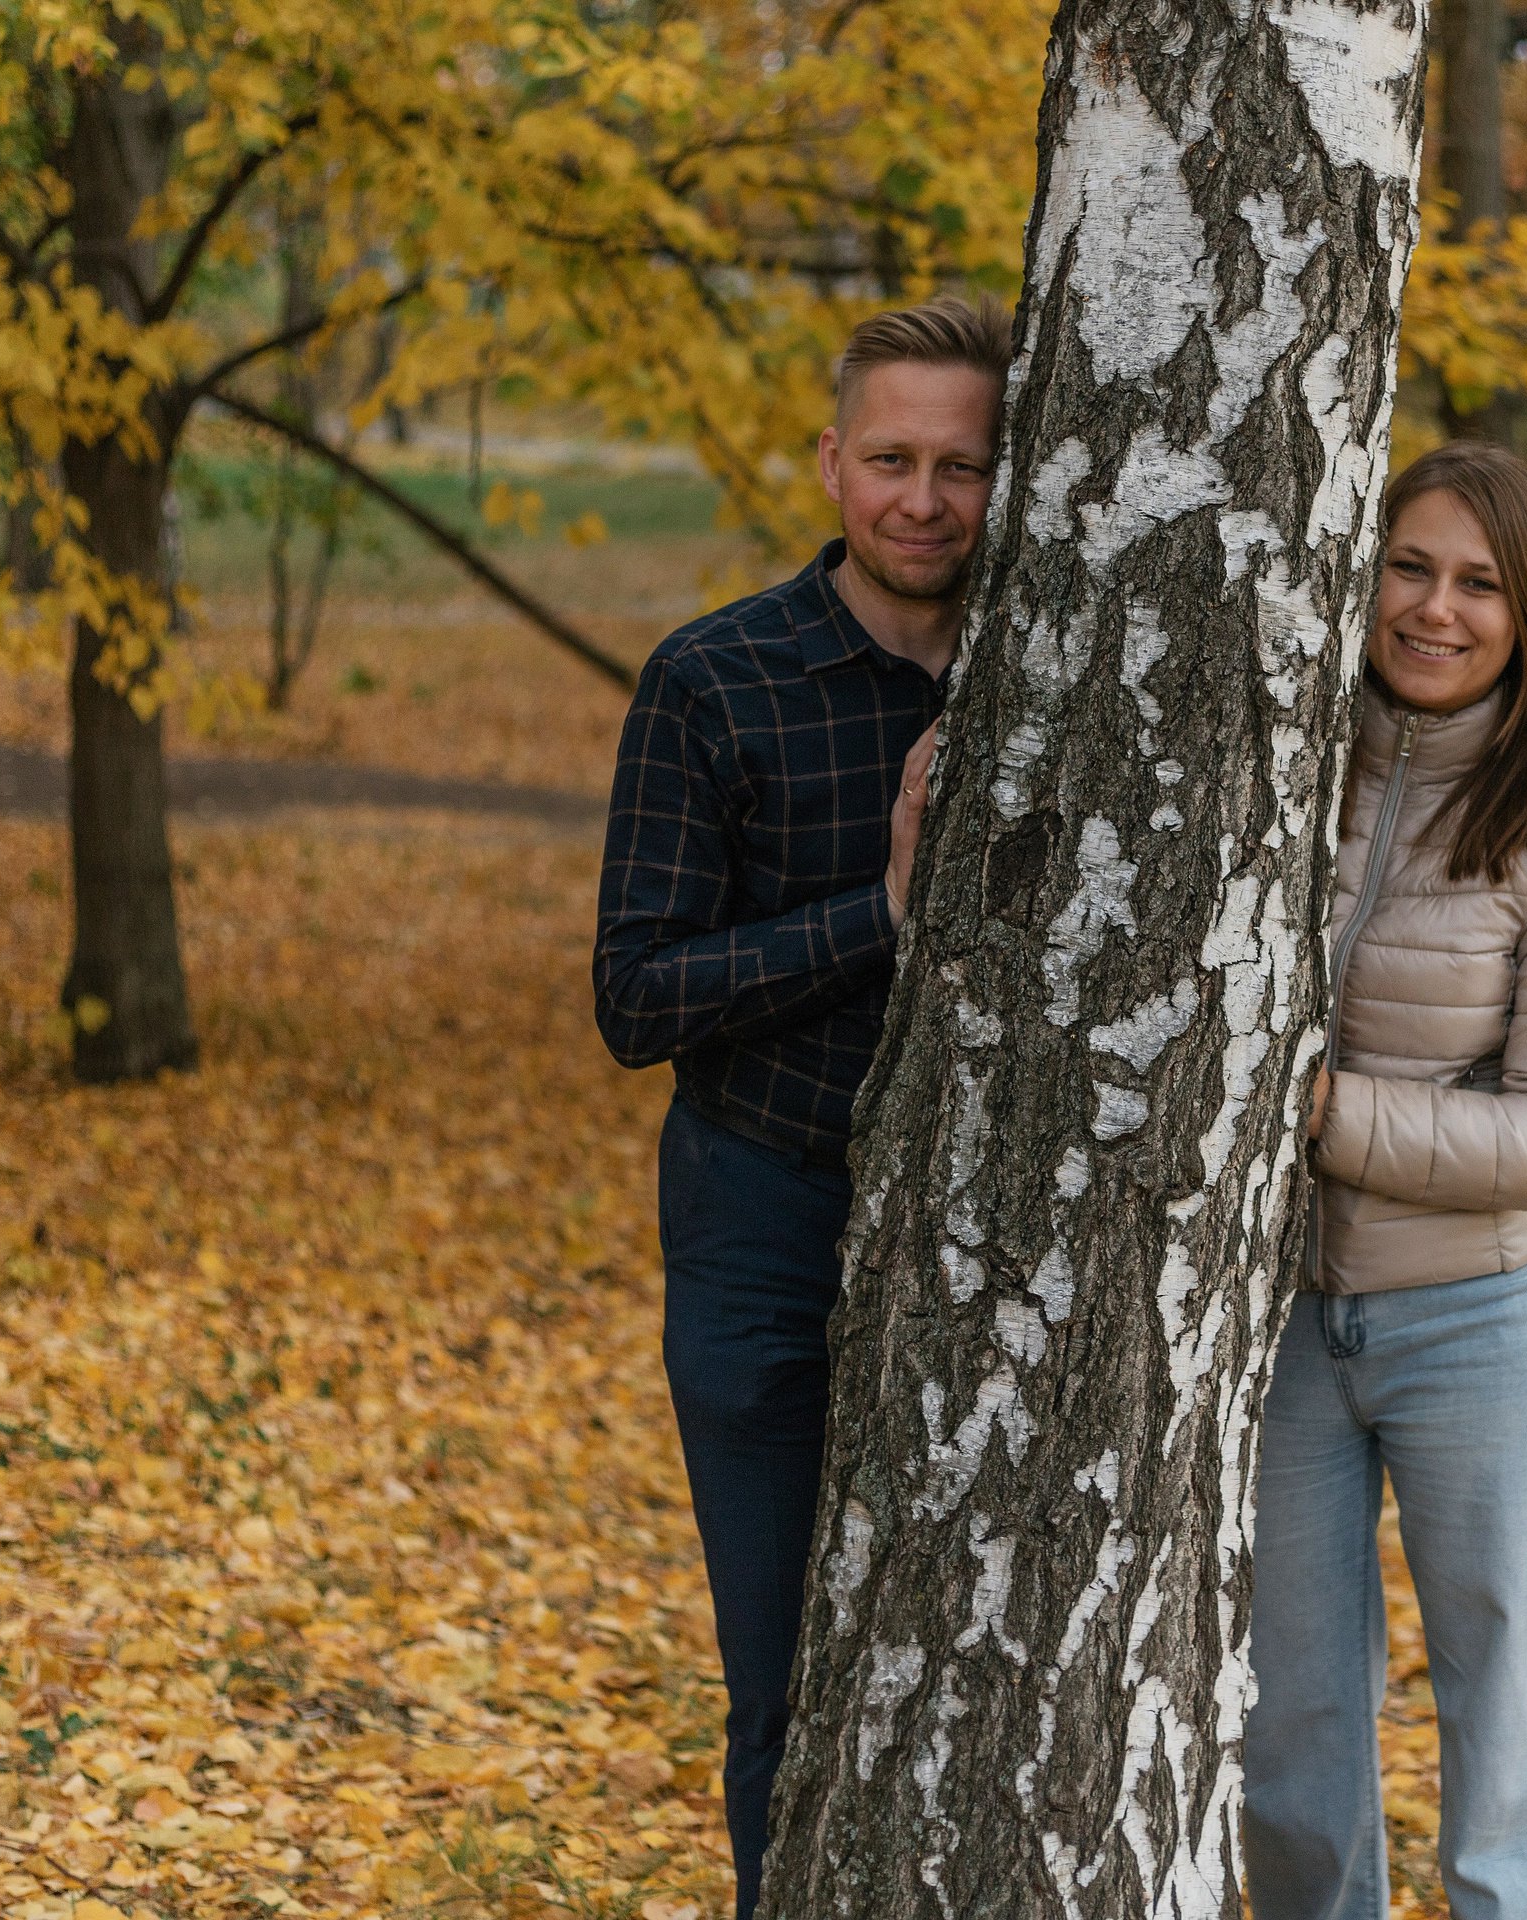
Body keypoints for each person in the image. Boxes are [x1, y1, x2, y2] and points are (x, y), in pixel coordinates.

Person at [592, 297, 1012, 1920]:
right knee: (783, 1683)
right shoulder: (716, 679)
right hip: (765, 1213)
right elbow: (638, 998)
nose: (923, 500)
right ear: (834, 461)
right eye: (892, 459)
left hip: (997, 1238)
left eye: (962, 465)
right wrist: (881, 912)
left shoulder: (1076, 680)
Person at [1243, 441, 1527, 1920]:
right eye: (1409, 567)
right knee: (1286, 1749)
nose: (1436, 608)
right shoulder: (1274, 780)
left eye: (1480, 583)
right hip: (1277, 1329)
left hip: (1477, 1328)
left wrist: (1320, 1110)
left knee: (1515, 1772)